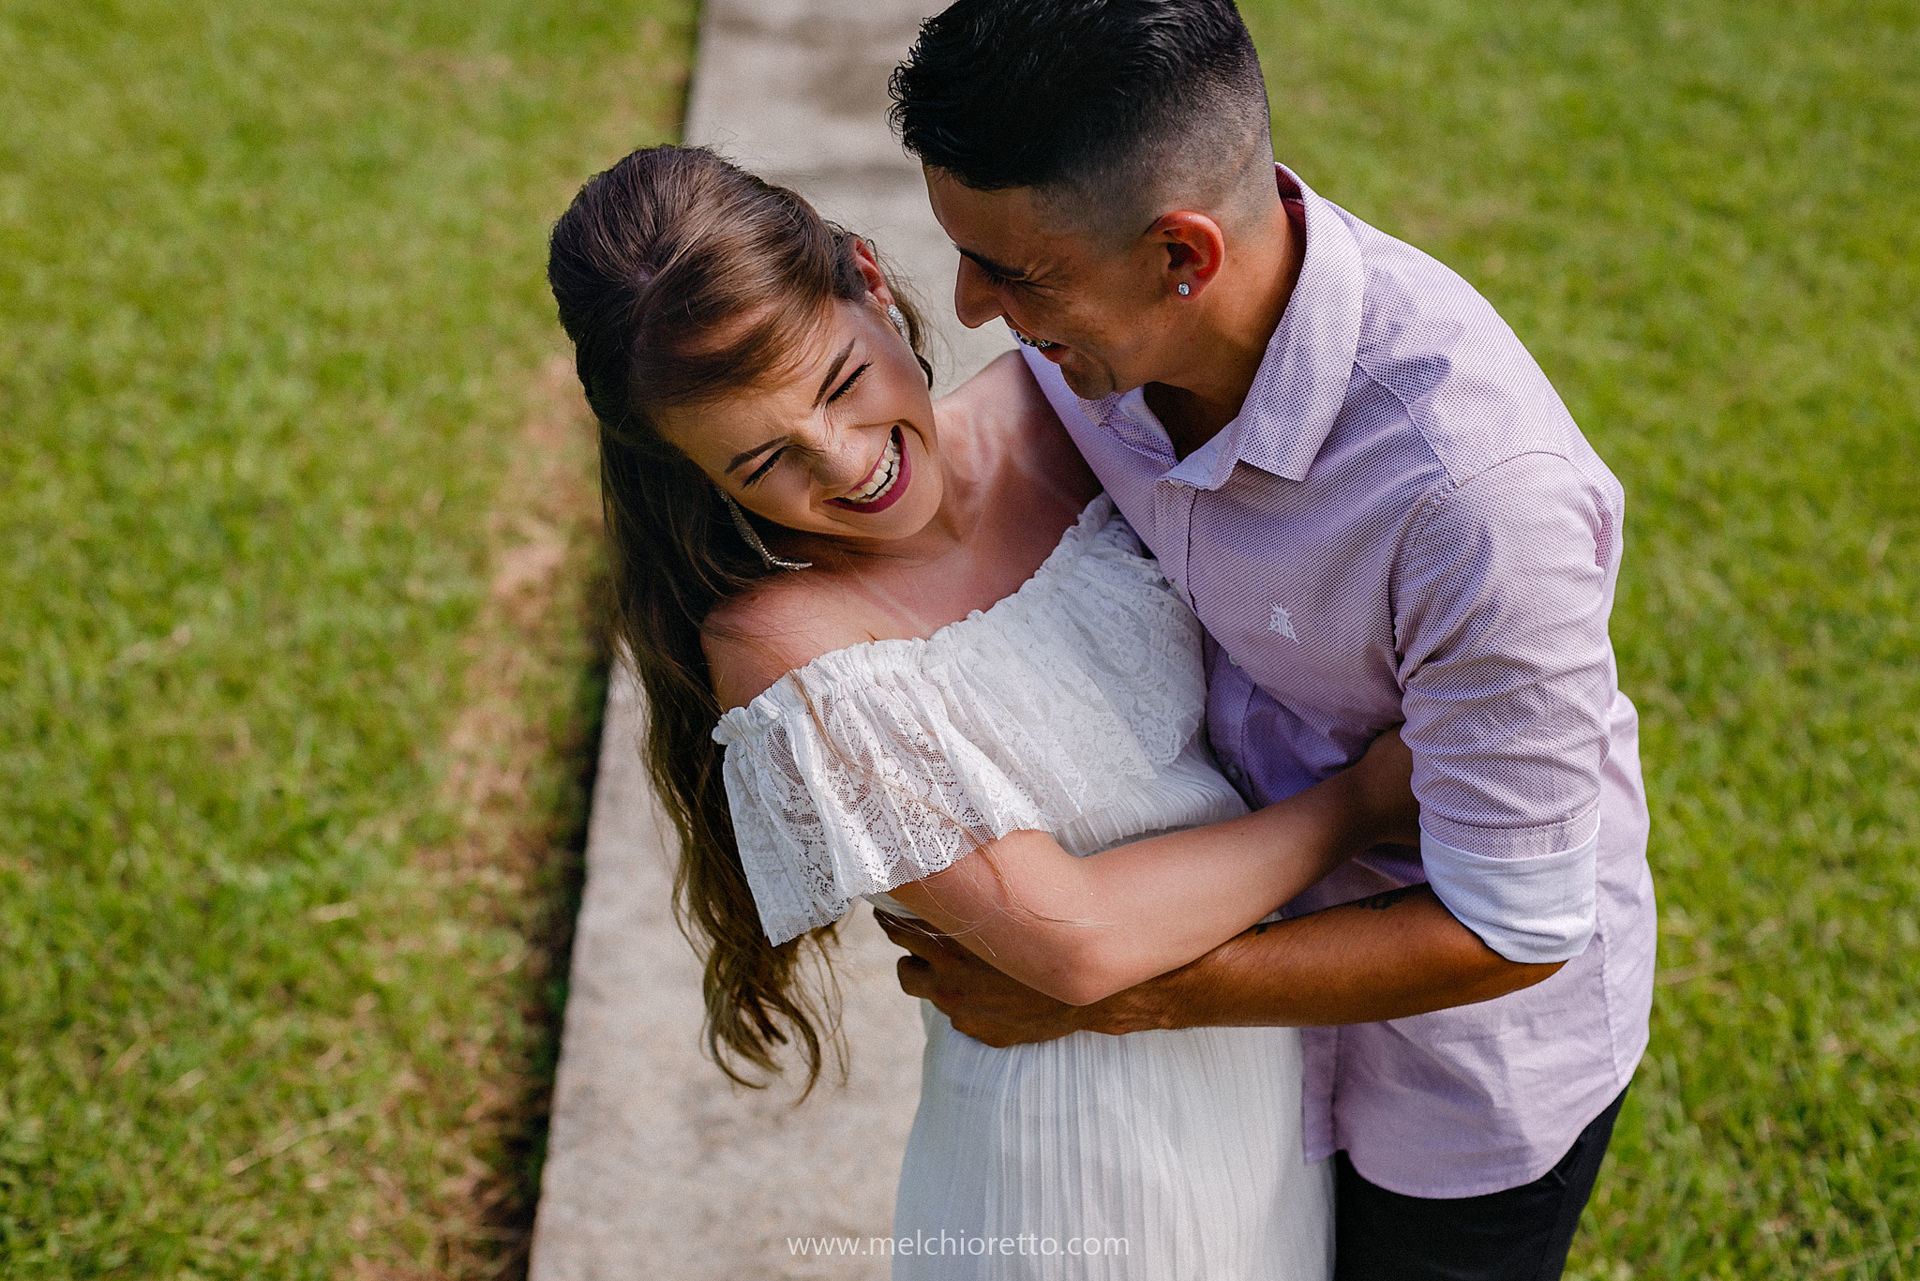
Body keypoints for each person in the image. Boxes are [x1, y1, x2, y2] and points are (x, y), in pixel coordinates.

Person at [548, 145, 1425, 1279]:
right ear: (688, 468)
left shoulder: (1065, 409)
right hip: (1068, 1161)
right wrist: (1360, 802)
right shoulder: (789, 652)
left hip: (1268, 1090)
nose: (849, 462)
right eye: (764, 460)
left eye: (840, 384)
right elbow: (1071, 942)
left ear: (867, 276)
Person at [881, 2, 1659, 1279]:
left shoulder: (1472, 500)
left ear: (1182, 256)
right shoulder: (1099, 351)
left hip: (1451, 1083)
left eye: (1015, 272)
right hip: (1230, 1050)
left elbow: (1514, 927)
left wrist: (1135, 994)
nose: (973, 311)